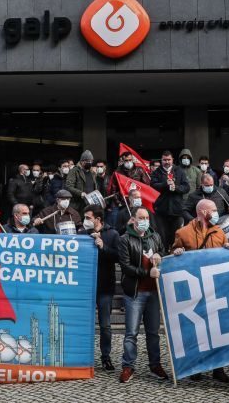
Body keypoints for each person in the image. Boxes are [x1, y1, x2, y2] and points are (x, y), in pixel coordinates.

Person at [170, 198, 229, 383]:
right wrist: (176, 252)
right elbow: (172, 256)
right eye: (213, 210)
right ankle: (196, 367)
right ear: (204, 212)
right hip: (195, 291)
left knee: (217, 329)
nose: (216, 213)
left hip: (216, 288)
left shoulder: (219, 232)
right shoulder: (183, 233)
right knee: (197, 330)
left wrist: (228, 248)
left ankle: (218, 368)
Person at [117, 207, 168, 383]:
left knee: (153, 332)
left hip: (153, 293)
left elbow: (163, 252)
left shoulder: (155, 237)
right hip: (135, 293)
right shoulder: (124, 239)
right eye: (141, 217)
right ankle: (128, 366)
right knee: (131, 333)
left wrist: (159, 255)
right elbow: (125, 266)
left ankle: (155, 365)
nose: (144, 220)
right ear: (133, 219)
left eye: (146, 217)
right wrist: (147, 273)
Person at [82, 205, 120, 371]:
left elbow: (118, 256)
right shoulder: (82, 234)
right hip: (85, 287)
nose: (86, 220)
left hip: (104, 287)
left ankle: (106, 356)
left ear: (98, 219)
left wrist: (103, 246)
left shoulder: (112, 234)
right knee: (83, 325)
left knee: (105, 325)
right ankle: (83, 357)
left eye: (88, 217)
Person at [150, 150, 190, 251]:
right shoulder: (156, 172)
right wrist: (165, 184)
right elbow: (153, 186)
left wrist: (176, 188)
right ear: (161, 160)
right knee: (162, 237)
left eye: (169, 160)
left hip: (176, 211)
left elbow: (186, 187)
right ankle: (163, 256)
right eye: (164, 160)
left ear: (172, 160)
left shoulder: (179, 171)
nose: (167, 162)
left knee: (177, 237)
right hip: (161, 211)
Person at [65, 150, 98, 214]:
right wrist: (80, 193)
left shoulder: (92, 173)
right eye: (87, 161)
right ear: (82, 161)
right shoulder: (74, 171)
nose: (89, 163)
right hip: (78, 205)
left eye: (91, 161)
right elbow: (69, 186)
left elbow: (94, 186)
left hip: (89, 203)